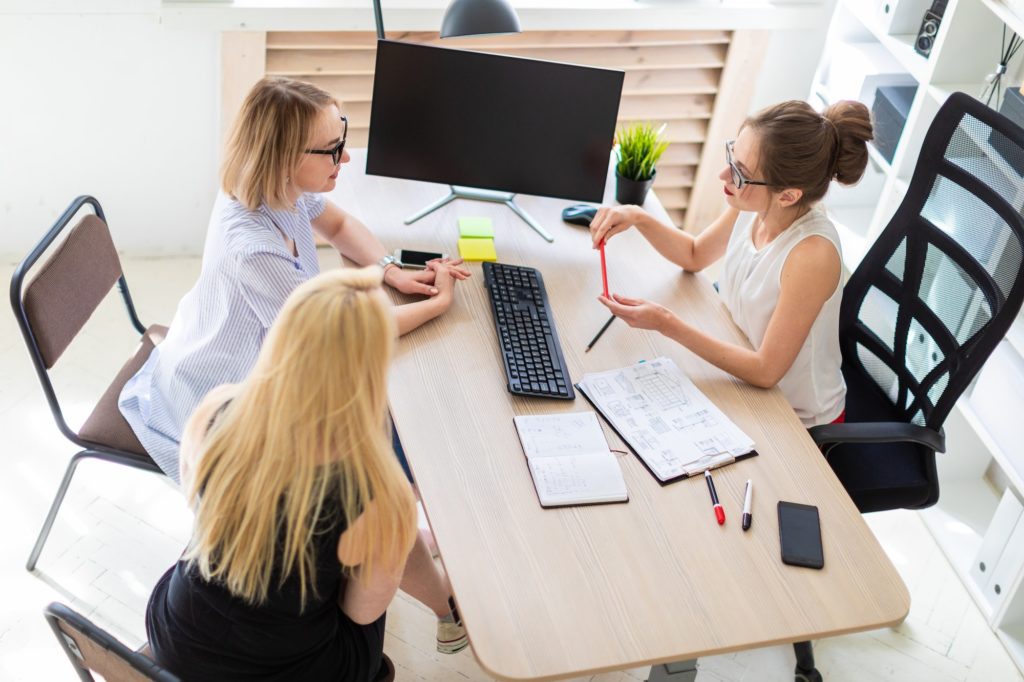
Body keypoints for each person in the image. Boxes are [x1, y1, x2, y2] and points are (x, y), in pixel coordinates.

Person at [120, 76, 467, 653]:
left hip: (243, 361)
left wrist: (387, 269)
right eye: (331, 150)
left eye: (343, 139)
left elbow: (335, 225)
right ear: (285, 156)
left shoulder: (280, 190)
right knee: (382, 478)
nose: (345, 157)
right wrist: (434, 305)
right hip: (216, 385)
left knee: (385, 460)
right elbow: (338, 336)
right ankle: (446, 603)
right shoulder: (252, 245)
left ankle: (418, 568)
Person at [146, 267, 428, 681]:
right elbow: (361, 611)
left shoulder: (217, 407)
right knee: (366, 595)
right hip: (287, 670)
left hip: (179, 635)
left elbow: (200, 504)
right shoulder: (382, 494)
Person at [589, 100, 873, 427]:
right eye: (732, 156)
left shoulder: (812, 254)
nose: (724, 175)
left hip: (797, 417)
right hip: (742, 365)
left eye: (740, 172)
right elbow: (695, 254)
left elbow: (766, 371)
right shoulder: (754, 204)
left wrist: (666, 323)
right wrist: (637, 217)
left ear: (788, 195)